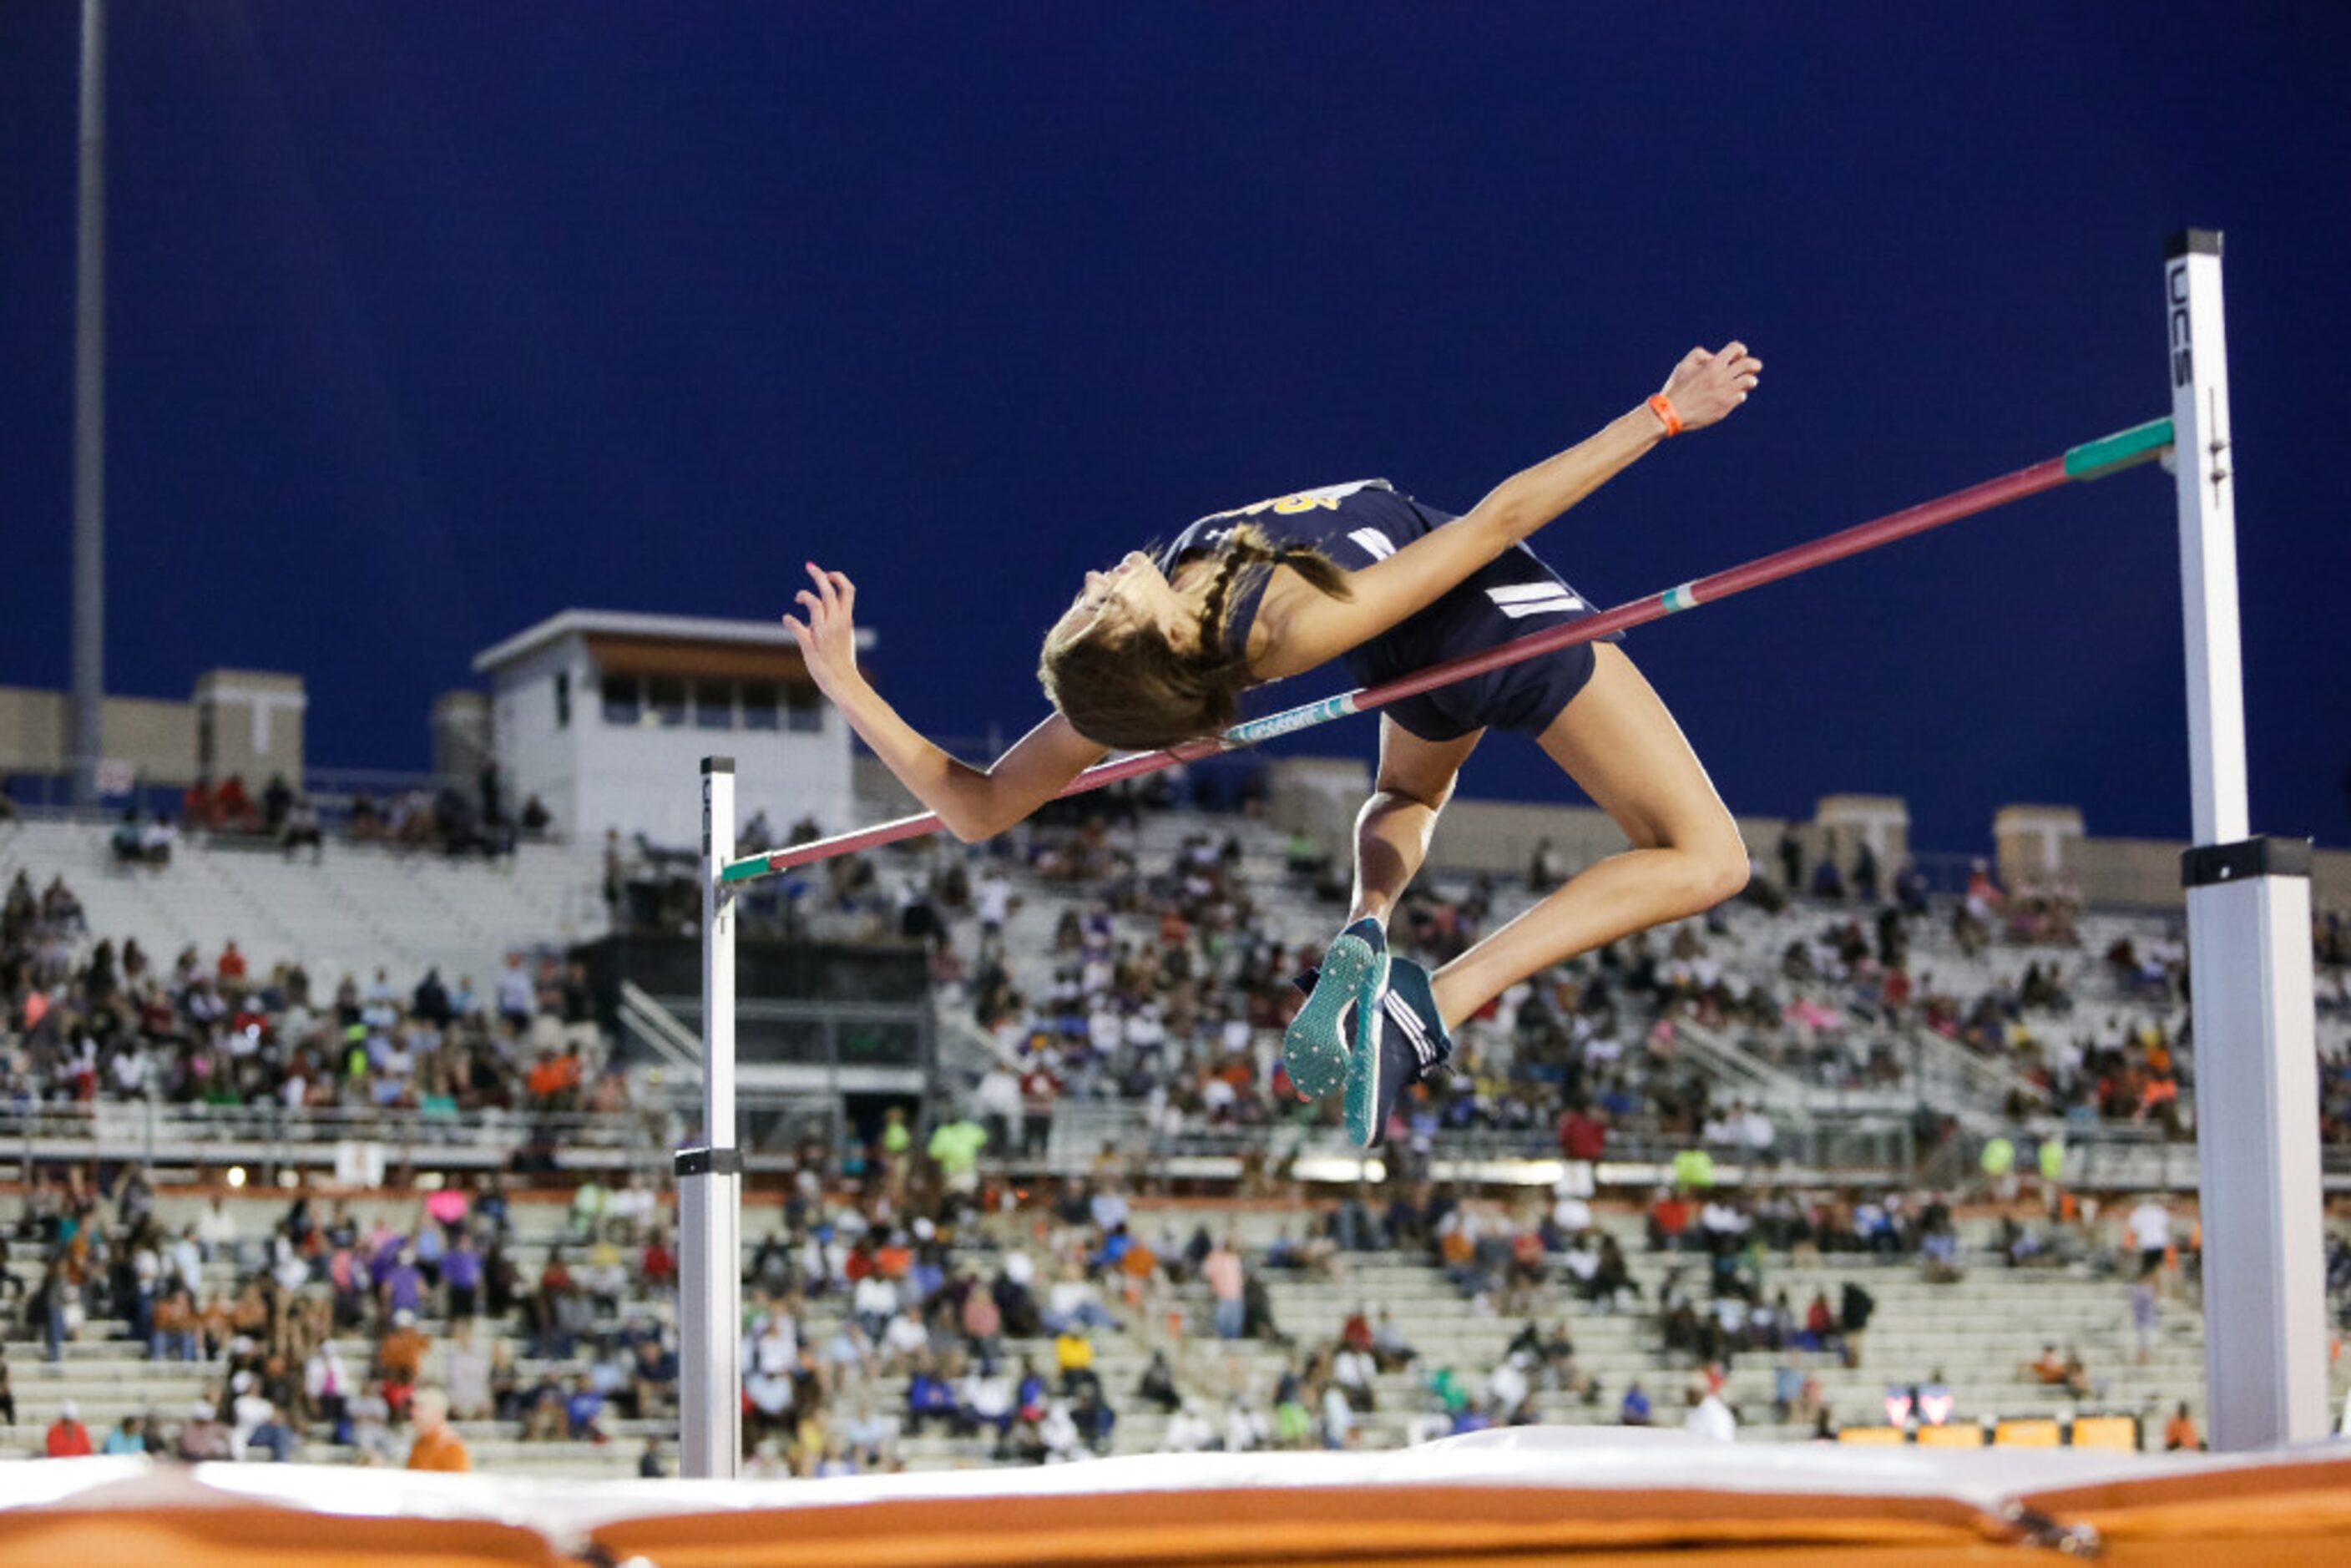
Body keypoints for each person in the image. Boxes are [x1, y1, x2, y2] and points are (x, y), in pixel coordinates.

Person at [785, 344, 1762, 1147]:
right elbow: (1495, 521)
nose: (1094, 573)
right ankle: (1432, 1007)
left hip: (1401, 645)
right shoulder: (1275, 628)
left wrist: (849, 686)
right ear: (1146, 633)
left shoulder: (1142, 673)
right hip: (1486, 619)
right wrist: (1663, 414)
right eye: (1097, 600)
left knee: (1407, 803)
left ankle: (1366, 925)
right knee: (1707, 858)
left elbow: (979, 806)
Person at [406, 1386, 471, 1471]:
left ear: (437, 1413)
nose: (413, 1413)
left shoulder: (451, 1446)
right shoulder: (420, 1443)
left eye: (421, 1408)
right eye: (414, 1408)